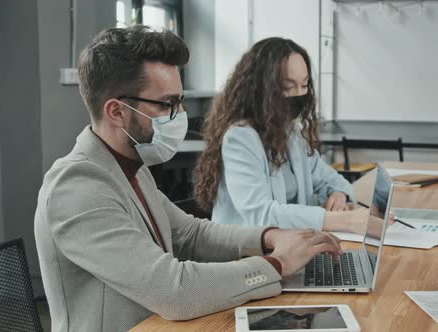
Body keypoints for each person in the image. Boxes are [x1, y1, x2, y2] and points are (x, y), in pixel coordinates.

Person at [33, 26, 342, 332]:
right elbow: (174, 291)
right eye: (168, 104)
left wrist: (270, 238)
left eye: (179, 102)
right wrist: (277, 264)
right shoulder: (79, 187)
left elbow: (190, 234)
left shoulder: (130, 167)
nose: (179, 114)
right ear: (116, 112)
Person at [193, 37, 369, 234]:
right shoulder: (240, 139)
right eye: (288, 87)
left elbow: (332, 179)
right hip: (245, 255)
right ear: (262, 89)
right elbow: (262, 215)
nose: (299, 95)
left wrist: (339, 194)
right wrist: (342, 221)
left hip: (289, 246)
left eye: (304, 85)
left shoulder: (291, 132)